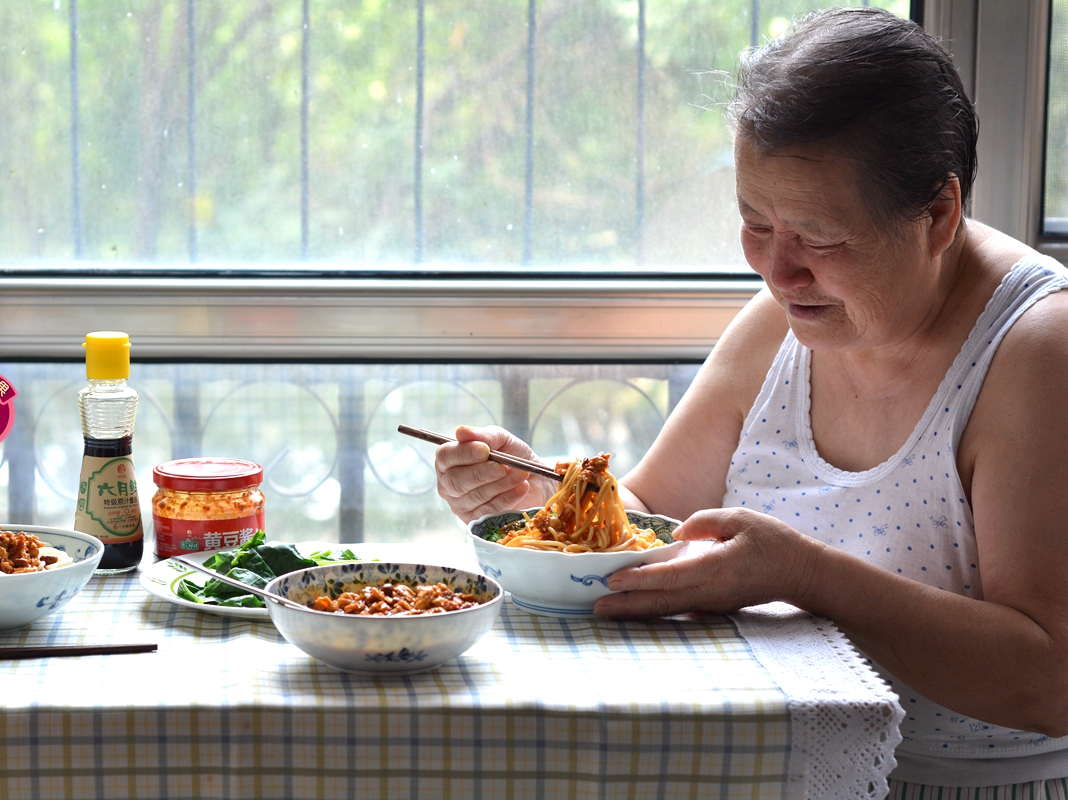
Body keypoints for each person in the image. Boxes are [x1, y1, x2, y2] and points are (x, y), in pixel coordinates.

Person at [434, 8, 1068, 795]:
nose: (779, 271)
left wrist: (805, 575)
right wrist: (543, 494)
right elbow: (654, 514)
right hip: (769, 768)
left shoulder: (1037, 347)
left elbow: (1050, 681)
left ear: (938, 214)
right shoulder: (786, 320)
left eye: (820, 238)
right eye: (753, 223)